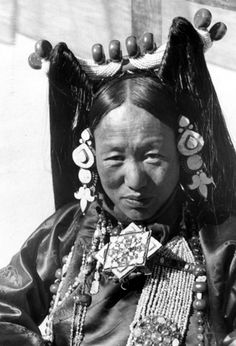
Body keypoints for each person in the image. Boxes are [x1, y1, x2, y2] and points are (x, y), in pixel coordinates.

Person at [0, 9, 236, 346]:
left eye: (152, 156)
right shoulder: (66, 234)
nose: (135, 179)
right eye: (114, 158)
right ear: (92, 157)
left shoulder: (221, 245)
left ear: (182, 149)